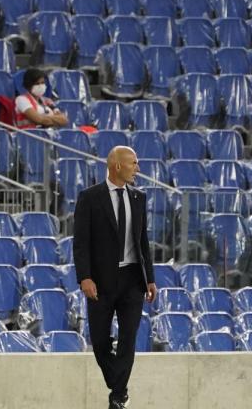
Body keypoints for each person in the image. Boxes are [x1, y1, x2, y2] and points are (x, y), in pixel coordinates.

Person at [73, 146, 157, 409]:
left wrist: (150, 278)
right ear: (117, 166)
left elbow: (143, 242)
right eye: (134, 163)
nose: (138, 168)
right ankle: (119, 387)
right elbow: (81, 243)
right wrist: (84, 277)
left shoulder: (139, 197)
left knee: (128, 339)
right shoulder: (89, 198)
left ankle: (118, 397)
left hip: (133, 279)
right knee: (99, 342)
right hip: (100, 281)